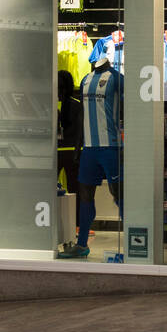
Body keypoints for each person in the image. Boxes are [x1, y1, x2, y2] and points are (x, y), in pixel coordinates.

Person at [58, 59, 121, 259]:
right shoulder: (86, 78)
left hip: (110, 146)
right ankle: (82, 244)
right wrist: (79, 146)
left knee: (118, 194)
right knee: (85, 194)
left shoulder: (117, 78)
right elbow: (82, 116)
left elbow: (132, 108)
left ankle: (133, 242)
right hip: (89, 149)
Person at [56, 68, 82, 208]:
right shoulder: (75, 104)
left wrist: (77, 150)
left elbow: (80, 131)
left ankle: (73, 221)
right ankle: (72, 221)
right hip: (65, 151)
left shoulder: (75, 105)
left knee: (73, 188)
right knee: (72, 188)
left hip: (68, 151)